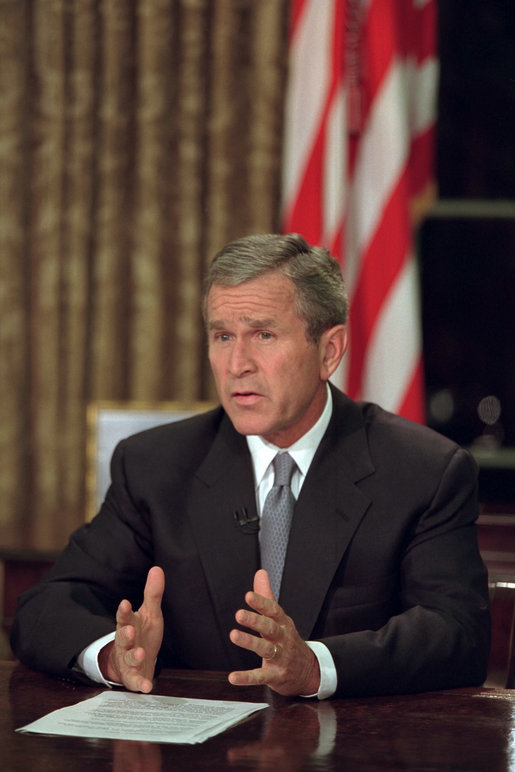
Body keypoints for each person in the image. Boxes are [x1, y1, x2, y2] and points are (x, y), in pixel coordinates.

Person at [11, 233, 490, 699]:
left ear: (329, 351)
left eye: (263, 334)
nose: (237, 363)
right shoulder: (155, 467)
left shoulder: (423, 472)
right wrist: (114, 655)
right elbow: (46, 607)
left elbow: (457, 633)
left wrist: (316, 666)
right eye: (222, 336)